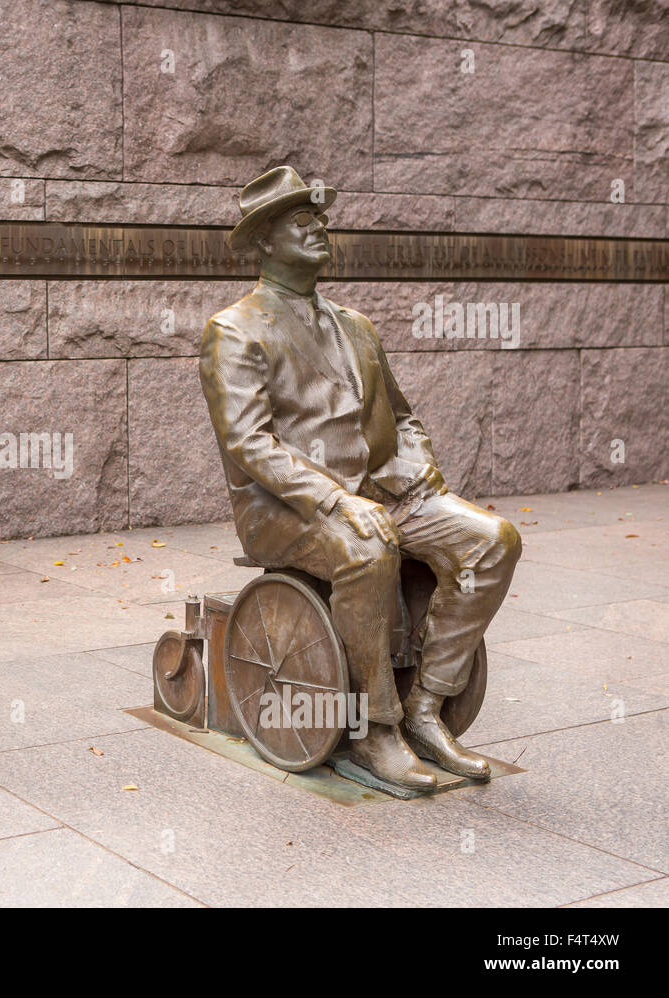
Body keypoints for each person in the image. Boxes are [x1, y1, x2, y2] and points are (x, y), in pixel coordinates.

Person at [199, 166, 521, 790]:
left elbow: (402, 417)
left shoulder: (357, 325)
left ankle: (426, 708)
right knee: (367, 546)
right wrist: (336, 500)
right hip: (287, 509)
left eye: (320, 218)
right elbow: (248, 442)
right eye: (301, 220)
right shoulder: (233, 330)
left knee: (493, 540)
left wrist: (419, 467)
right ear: (264, 240)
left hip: (383, 493)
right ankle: (376, 729)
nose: (319, 228)